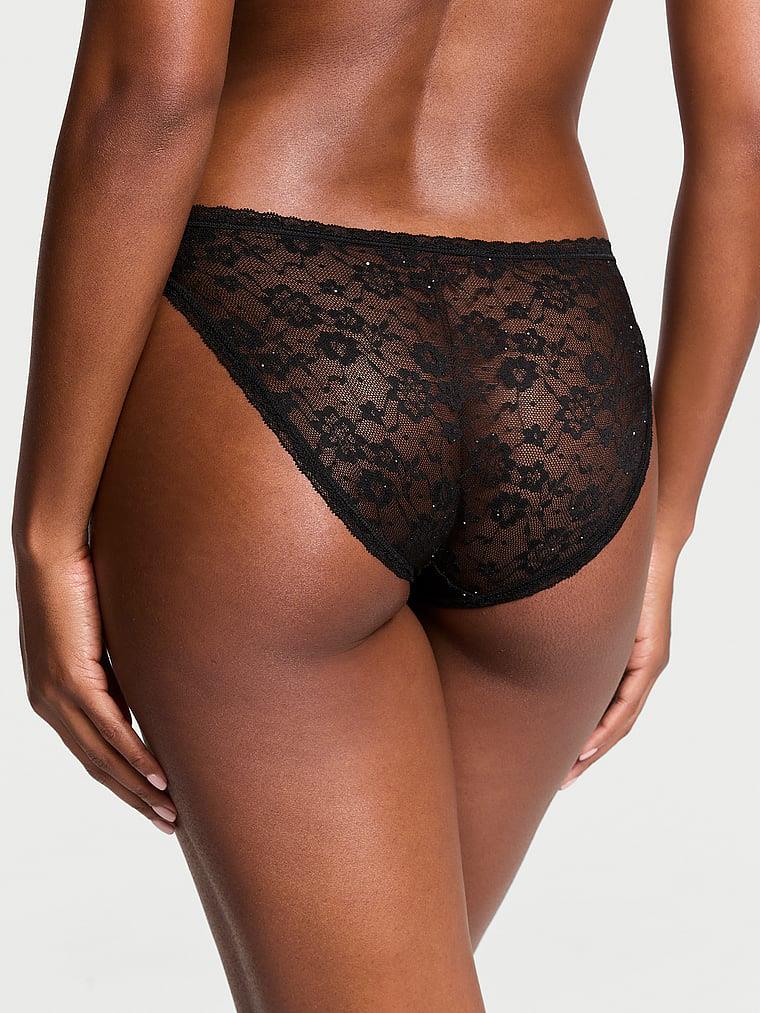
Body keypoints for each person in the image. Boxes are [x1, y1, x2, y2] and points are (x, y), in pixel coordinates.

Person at [12, 2, 759, 1010]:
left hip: (274, 311)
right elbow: (746, 133)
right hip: (560, 370)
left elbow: (151, 94)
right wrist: (666, 526)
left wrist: (48, 526)